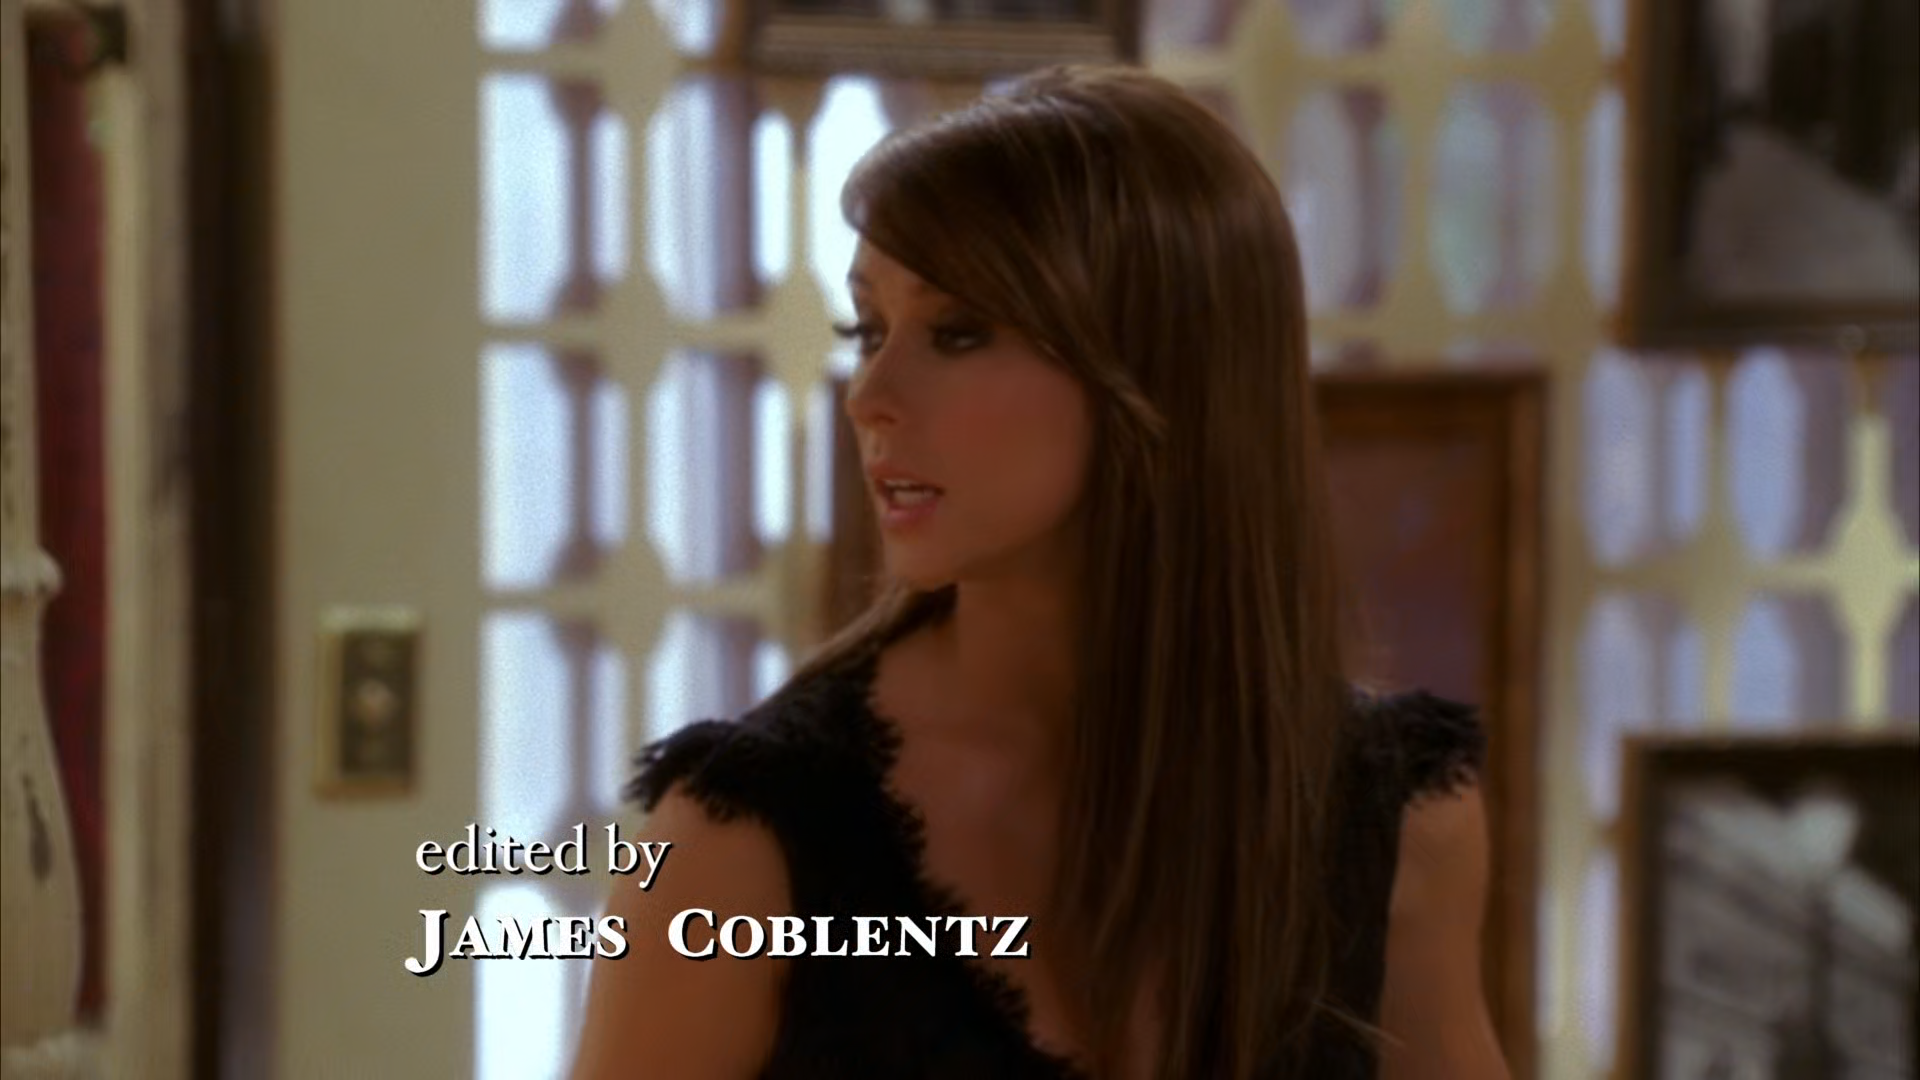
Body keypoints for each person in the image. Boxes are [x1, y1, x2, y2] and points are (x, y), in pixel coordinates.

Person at [570, 64, 1509, 1080]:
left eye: (958, 332)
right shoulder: (742, 843)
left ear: (1157, 370)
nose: (869, 394)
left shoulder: (1394, 822)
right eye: (869, 331)